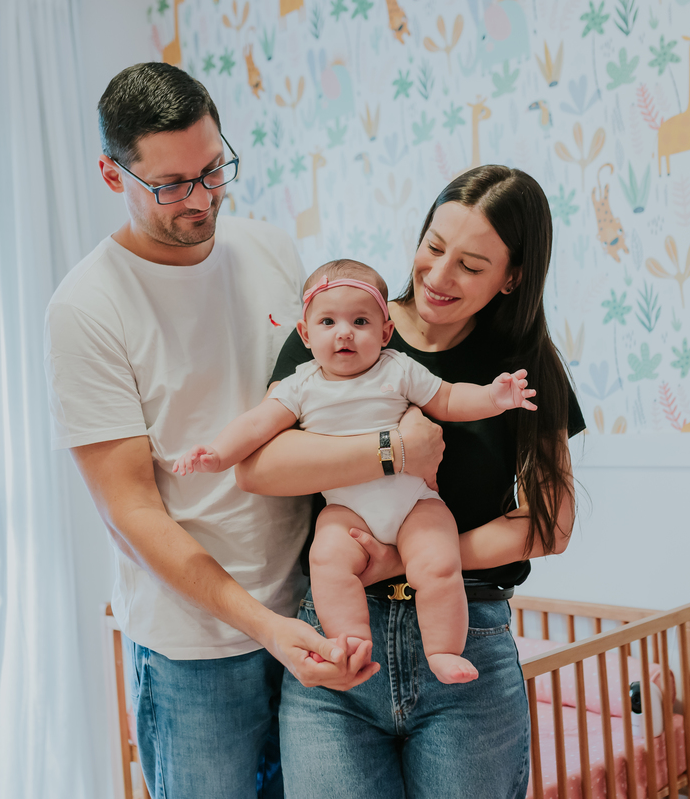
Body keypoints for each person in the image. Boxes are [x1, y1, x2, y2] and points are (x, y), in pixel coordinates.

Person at [44, 63, 433, 797]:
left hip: (312, 611)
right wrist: (261, 624)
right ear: (109, 173)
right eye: (171, 185)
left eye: (213, 168)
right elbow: (130, 512)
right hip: (196, 649)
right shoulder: (87, 308)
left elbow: (322, 398)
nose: (201, 197)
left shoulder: (270, 249)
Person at [235, 165, 587, 798]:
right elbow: (261, 466)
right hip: (340, 638)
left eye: (472, 266)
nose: (438, 275)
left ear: (513, 278)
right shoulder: (341, 324)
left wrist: (396, 562)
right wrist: (392, 451)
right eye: (432, 246)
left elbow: (549, 525)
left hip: (467, 638)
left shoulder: (522, 367)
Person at [173, 258, 538, 684]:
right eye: (328, 321)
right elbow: (256, 425)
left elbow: (451, 399)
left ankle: (442, 650)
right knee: (327, 560)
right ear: (305, 334)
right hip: (346, 509)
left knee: (438, 564)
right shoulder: (300, 385)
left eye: (360, 321)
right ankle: (350, 644)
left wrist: (494, 399)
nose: (344, 332)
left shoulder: (398, 369)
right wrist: (217, 454)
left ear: (385, 333)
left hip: (415, 502)